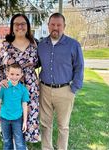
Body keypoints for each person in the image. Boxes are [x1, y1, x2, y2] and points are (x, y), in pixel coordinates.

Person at [0, 13, 40, 143]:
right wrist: (1, 83)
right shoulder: (2, 46)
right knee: (10, 115)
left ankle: (22, 144)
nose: (20, 26)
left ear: (28, 26)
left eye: (23, 23)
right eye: (16, 24)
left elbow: (42, 62)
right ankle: (12, 143)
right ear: (12, 27)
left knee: (28, 115)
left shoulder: (35, 44)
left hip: (29, 88)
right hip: (9, 88)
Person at [38, 13, 84, 150]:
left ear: (64, 26)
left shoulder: (73, 45)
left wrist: (74, 88)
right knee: (45, 123)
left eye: (59, 25)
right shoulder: (41, 45)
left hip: (65, 90)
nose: (55, 28)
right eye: (52, 24)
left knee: (63, 126)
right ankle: (47, 148)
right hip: (44, 89)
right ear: (48, 26)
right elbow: (36, 63)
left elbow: (79, 67)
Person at [0, 63, 29, 150]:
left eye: (17, 74)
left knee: (19, 142)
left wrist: (25, 121)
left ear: (21, 75)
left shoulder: (23, 89)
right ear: (7, 73)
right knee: (7, 141)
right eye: (12, 74)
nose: (14, 77)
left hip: (17, 119)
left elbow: (24, 106)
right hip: (4, 119)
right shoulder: (4, 87)